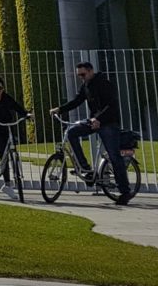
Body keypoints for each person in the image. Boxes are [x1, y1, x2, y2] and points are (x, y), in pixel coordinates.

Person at [50, 61, 133, 204]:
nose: (81, 77)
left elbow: (111, 104)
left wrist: (98, 118)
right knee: (71, 132)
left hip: (108, 123)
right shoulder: (86, 86)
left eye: (83, 74)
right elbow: (77, 101)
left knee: (114, 156)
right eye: (79, 75)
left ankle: (125, 191)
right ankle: (86, 169)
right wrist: (60, 109)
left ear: (90, 71)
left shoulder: (104, 83)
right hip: (94, 122)